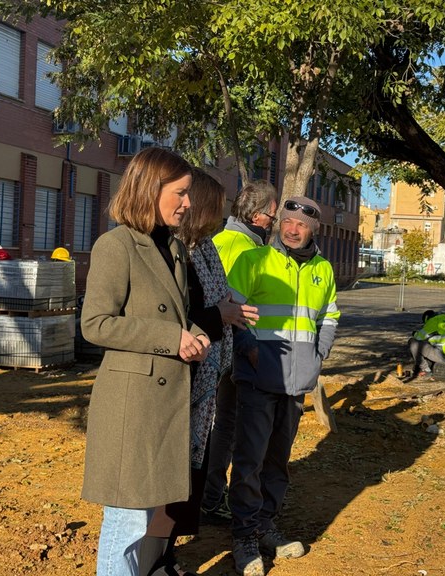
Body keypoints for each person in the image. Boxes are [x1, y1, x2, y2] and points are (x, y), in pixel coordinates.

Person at [79, 147, 211, 576]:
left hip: (163, 407)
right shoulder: (116, 246)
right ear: (150, 189)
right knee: (127, 522)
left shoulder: (173, 247)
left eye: (188, 193)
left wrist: (194, 333)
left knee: (145, 516)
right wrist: (170, 338)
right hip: (131, 408)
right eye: (181, 192)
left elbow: (175, 315)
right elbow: (95, 324)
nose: (188, 203)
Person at [139, 169, 259, 576]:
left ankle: (167, 558)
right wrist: (219, 314)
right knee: (168, 479)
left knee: (187, 476)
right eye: (216, 206)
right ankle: (152, 562)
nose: (221, 215)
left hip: (204, 384)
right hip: (180, 381)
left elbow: (216, 297)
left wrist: (230, 312)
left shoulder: (204, 249)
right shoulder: (175, 254)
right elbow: (175, 319)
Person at [225, 196, 340, 576]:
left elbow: (329, 316)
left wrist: (319, 355)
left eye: (301, 225)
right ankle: (244, 536)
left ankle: (264, 525)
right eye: (287, 222)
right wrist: (249, 348)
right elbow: (232, 310)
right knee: (250, 461)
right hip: (258, 378)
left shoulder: (323, 269)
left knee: (278, 460)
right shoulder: (254, 260)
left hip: (296, 383)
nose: (292, 229)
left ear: (314, 230)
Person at [200, 180, 279, 525]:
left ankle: (207, 495)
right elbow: (233, 306)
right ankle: (213, 497)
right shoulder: (245, 249)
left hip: (210, 345)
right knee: (229, 426)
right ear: (258, 216)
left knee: (212, 424)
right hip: (236, 349)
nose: (274, 223)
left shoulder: (219, 240)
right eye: (273, 216)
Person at [408, 309, 445, 379]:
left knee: (413, 343)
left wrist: (414, 333)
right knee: (428, 343)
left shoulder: (433, 321)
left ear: (426, 318)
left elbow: (419, 337)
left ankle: (426, 370)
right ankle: (427, 366)